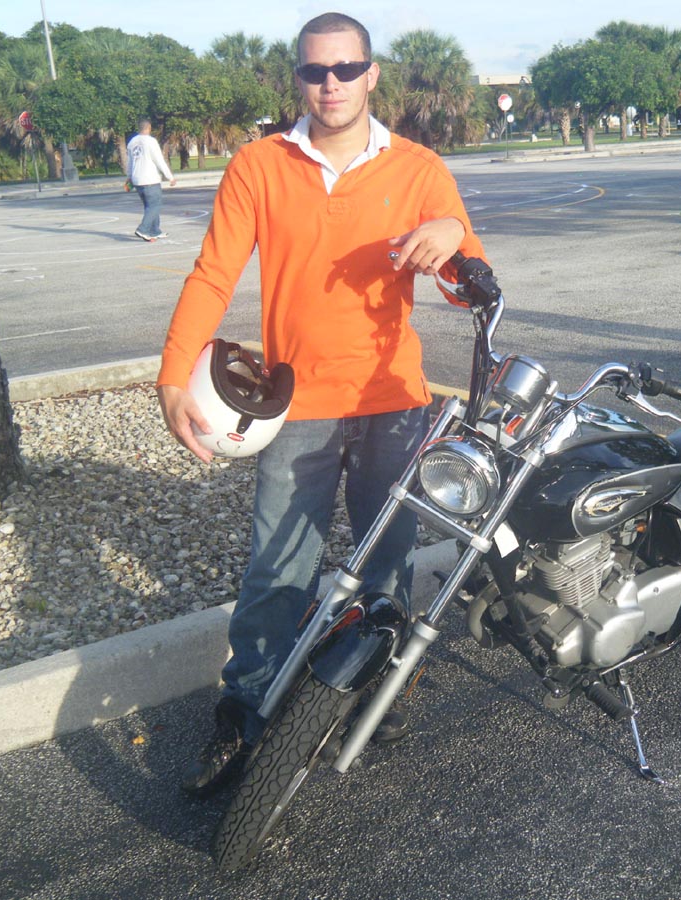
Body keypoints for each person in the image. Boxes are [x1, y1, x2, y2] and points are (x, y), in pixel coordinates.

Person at [155, 11, 487, 796]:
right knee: (278, 570)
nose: (330, 84)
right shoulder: (259, 165)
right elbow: (213, 274)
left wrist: (452, 232)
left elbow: (465, 279)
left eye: (345, 69)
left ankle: (381, 687)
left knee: (386, 563)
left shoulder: (418, 168)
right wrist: (172, 375)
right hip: (295, 404)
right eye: (315, 71)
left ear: (372, 74)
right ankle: (245, 712)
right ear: (298, 78)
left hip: (393, 402)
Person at [126, 118, 177, 242]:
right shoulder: (151, 141)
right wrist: (170, 176)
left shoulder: (132, 142)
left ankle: (155, 230)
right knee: (155, 205)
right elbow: (159, 160)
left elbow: (130, 162)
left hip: (137, 179)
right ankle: (143, 229)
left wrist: (129, 177)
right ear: (149, 128)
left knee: (149, 206)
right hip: (150, 179)